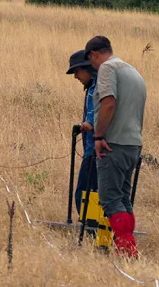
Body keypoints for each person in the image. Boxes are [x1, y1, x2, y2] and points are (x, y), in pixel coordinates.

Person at [85, 36, 146, 258]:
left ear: (94, 55)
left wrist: (98, 135)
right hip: (133, 143)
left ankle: (128, 250)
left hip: (114, 144)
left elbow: (108, 103)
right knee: (123, 198)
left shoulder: (107, 69)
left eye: (90, 62)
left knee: (110, 198)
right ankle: (128, 249)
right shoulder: (133, 71)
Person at [66, 49, 98, 215]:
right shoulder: (92, 86)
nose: (76, 76)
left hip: (95, 150)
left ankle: (92, 231)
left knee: (85, 194)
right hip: (92, 149)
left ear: (88, 69)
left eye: (77, 71)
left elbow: (98, 115)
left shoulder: (98, 87)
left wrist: (88, 124)